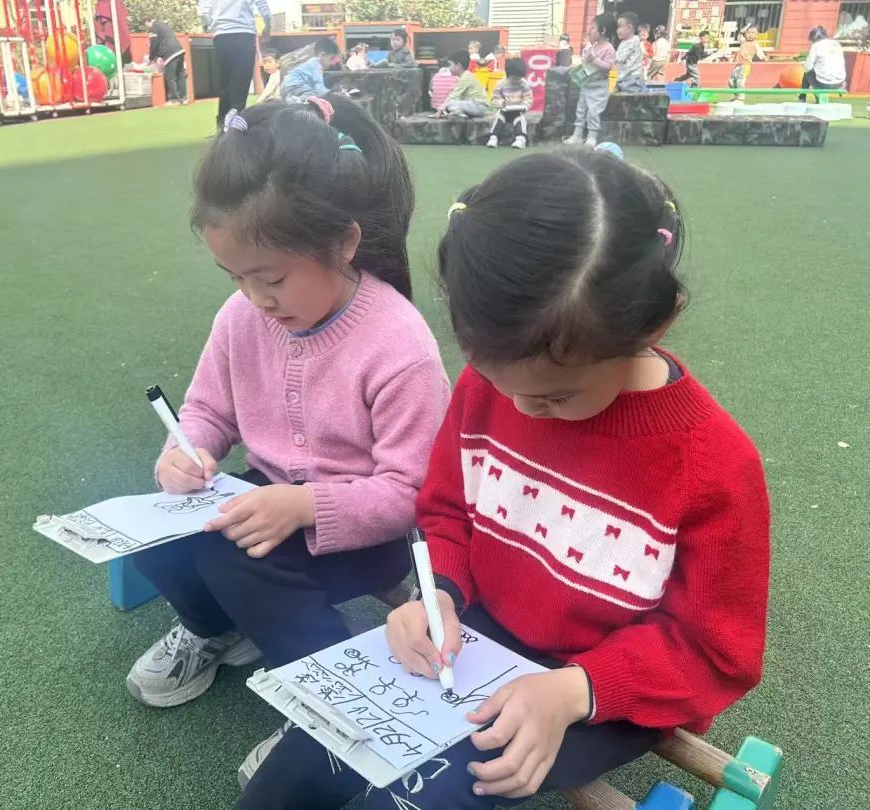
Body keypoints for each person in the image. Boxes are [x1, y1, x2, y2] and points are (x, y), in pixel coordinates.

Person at [237, 147, 770, 810]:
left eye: (555, 397)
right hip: (481, 637)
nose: (520, 408)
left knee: (421, 797)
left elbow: (716, 651)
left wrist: (576, 690)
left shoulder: (714, 465)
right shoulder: (488, 387)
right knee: (307, 755)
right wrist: (438, 596)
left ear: (656, 325)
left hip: (602, 692)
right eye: (495, 379)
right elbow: (446, 513)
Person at [126, 97, 451, 771]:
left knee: (235, 560)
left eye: (270, 277)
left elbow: (411, 493)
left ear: (345, 243)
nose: (255, 297)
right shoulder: (241, 316)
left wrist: (304, 506)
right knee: (160, 530)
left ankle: (327, 706)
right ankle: (216, 629)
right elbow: (207, 411)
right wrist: (186, 452)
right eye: (236, 277)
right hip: (270, 497)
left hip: (369, 535)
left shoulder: (398, 345)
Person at [198, 0, 272, 127]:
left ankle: (222, 127)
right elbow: (262, 5)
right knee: (240, 87)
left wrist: (211, 25)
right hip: (245, 34)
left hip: (222, 36)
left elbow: (203, 11)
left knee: (224, 86)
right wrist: (267, 26)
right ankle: (236, 127)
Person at [566, 13, 617, 146]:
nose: (590, 31)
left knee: (594, 112)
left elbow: (609, 66)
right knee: (580, 110)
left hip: (599, 87)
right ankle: (577, 134)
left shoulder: (609, 48)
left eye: (593, 28)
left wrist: (594, 60)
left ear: (603, 31)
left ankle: (592, 136)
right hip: (587, 85)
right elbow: (585, 63)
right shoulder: (591, 47)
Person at [487, 57, 533, 149]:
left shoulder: (524, 84)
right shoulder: (501, 84)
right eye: (514, 78)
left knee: (520, 119)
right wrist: (501, 103)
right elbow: (496, 97)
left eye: (519, 78)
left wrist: (525, 106)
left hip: (518, 110)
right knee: (499, 117)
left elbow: (528, 98)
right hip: (505, 110)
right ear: (508, 75)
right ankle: (494, 137)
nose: (517, 81)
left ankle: (520, 139)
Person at [436, 50, 491, 119]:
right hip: (476, 106)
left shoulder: (466, 76)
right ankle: (458, 114)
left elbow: (453, 95)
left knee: (450, 103)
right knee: (452, 104)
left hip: (479, 106)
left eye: (450, 65)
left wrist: (441, 108)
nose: (449, 68)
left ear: (458, 66)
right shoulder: (462, 77)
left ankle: (459, 115)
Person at [280, 37, 339, 103]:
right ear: (322, 55)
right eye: (331, 59)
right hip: (294, 86)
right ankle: (297, 102)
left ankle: (293, 100)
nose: (331, 63)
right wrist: (334, 93)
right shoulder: (317, 66)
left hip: (286, 87)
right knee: (314, 95)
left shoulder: (310, 63)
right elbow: (320, 89)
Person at [800, 26, 846, 102]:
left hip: (824, 84)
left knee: (807, 73)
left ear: (813, 38)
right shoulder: (836, 44)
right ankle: (840, 87)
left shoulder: (816, 46)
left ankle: (802, 98)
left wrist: (803, 64)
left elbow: (808, 67)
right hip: (840, 81)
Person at [146, 18, 187, 105]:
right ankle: (184, 98)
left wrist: (151, 57)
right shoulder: (164, 25)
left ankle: (174, 99)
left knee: (171, 77)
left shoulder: (154, 28)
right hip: (179, 50)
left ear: (147, 22)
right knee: (180, 75)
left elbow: (154, 43)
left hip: (170, 53)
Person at [729, 25, 766, 102]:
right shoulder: (743, 41)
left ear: (757, 35)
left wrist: (764, 58)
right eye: (748, 32)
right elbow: (739, 38)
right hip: (738, 64)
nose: (750, 34)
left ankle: (740, 98)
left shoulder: (755, 44)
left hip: (745, 65)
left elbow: (760, 53)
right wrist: (741, 32)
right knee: (731, 80)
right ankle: (734, 96)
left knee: (740, 81)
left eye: (753, 33)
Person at [615, 12, 645, 92]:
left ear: (629, 27)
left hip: (633, 78)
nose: (617, 30)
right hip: (625, 77)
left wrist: (607, 56)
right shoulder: (623, 42)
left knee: (630, 98)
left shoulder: (633, 41)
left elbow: (620, 58)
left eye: (620, 27)